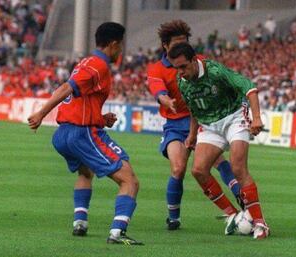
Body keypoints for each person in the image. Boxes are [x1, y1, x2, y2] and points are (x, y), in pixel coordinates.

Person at [27, 22, 143, 245]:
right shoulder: (98, 65)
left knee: (85, 172)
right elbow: (65, 88)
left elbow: (80, 100)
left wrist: (100, 119)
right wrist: (41, 113)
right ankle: (118, 232)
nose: (121, 50)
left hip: (64, 134)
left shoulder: (86, 62)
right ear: (114, 44)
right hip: (82, 134)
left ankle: (80, 222)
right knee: (130, 181)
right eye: (120, 46)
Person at [147, 20, 243, 231]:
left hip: (202, 119)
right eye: (177, 43)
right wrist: (166, 100)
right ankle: (173, 217)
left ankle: (241, 203)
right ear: (165, 45)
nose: (182, 47)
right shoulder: (157, 69)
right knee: (178, 168)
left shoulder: (199, 62)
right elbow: (157, 90)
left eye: (185, 42)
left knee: (218, 161)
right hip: (175, 124)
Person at [167, 42, 270, 239]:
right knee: (198, 170)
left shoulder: (214, 71)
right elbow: (194, 110)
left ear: (194, 60)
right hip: (210, 125)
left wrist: (256, 117)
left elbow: (250, 88)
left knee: (238, 168)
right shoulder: (182, 82)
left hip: (234, 117)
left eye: (183, 67)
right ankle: (234, 215)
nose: (180, 72)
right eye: (176, 68)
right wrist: (192, 134)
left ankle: (260, 223)